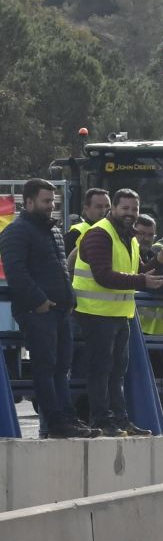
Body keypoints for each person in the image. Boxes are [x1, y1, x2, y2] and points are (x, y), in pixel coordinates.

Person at [71, 187, 163, 437]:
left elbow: (138, 271)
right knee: (101, 370)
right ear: (112, 208)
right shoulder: (99, 234)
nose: (130, 213)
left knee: (117, 371)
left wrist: (159, 261)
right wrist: (142, 281)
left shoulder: (130, 237)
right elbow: (103, 275)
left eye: (134, 209)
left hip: (119, 313)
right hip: (95, 313)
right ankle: (101, 421)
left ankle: (120, 420)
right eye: (124, 208)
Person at [1, 179, 90, 437]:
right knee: (46, 367)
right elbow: (16, 271)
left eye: (52, 201)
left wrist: (69, 299)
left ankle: (67, 417)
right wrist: (38, 301)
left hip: (60, 310)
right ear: (28, 202)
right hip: (38, 311)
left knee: (62, 368)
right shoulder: (17, 231)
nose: (51, 206)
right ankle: (55, 421)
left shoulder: (51, 231)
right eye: (46, 201)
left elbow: (60, 269)